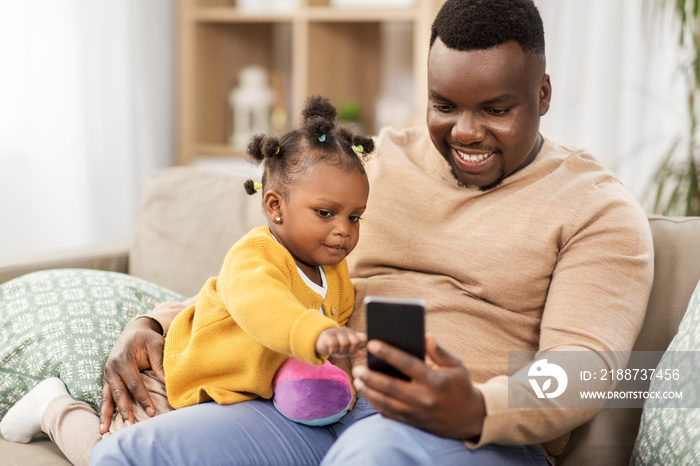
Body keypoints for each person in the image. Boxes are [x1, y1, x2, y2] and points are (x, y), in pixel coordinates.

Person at [90, 0, 655, 464]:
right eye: (444, 105)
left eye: (496, 109)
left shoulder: (597, 209)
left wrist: (479, 408)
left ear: (543, 95)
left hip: (468, 436)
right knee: (130, 454)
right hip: (314, 403)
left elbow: (584, 366)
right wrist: (152, 323)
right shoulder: (377, 164)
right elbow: (271, 271)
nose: (466, 131)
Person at [0, 94, 373, 466]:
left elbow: (330, 332)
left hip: (245, 398)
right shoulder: (254, 255)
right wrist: (315, 333)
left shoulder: (335, 273)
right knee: (108, 451)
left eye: (354, 218)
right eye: (326, 213)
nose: (343, 231)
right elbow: (263, 306)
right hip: (179, 384)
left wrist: (339, 356)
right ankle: (52, 405)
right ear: (275, 206)